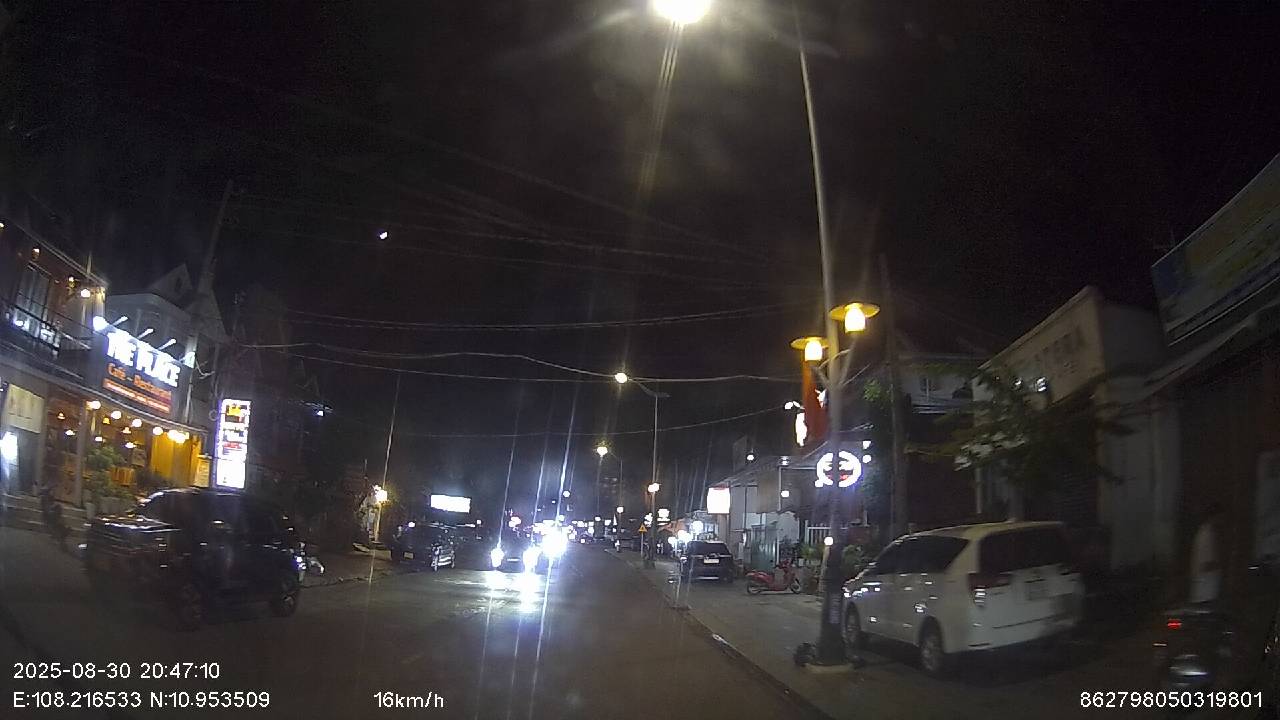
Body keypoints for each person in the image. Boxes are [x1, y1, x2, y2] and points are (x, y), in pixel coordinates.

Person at [1189, 503, 1224, 605]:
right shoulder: (1206, 534)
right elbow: (1205, 564)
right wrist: (1219, 565)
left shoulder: (1208, 532)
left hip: (1207, 588)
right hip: (1205, 590)